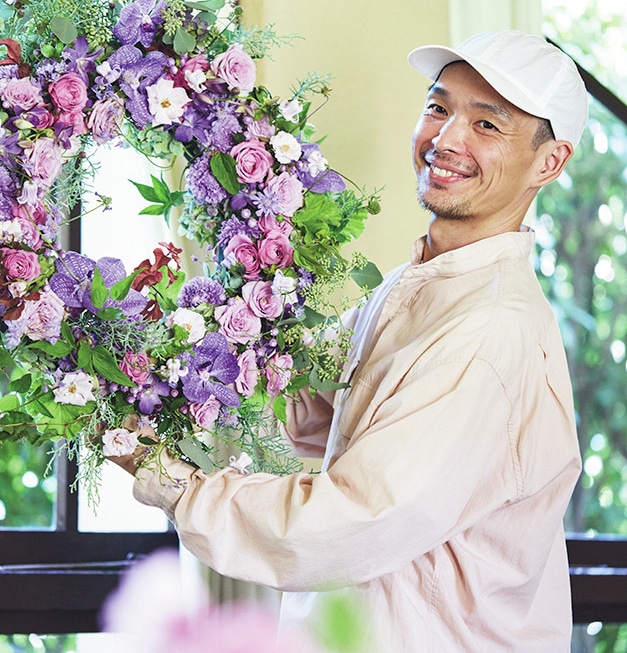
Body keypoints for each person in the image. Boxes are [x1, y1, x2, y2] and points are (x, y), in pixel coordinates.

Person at [111, 30, 587, 652]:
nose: (444, 140)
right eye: (439, 107)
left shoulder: (488, 329)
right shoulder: (413, 287)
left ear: (549, 162)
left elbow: (353, 520)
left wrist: (177, 486)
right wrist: (167, 350)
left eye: (487, 125)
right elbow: (322, 406)